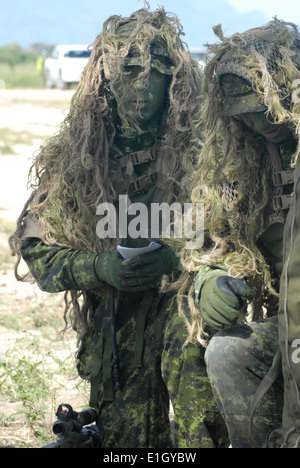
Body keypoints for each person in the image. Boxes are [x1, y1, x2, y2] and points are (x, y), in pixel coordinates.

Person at [9, 7, 228, 448]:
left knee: (196, 389)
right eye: (129, 72)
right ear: (107, 81)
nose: (141, 87)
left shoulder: (204, 151)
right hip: (117, 321)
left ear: (174, 84)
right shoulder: (77, 157)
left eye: (155, 74)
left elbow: (235, 238)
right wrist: (99, 267)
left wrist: (180, 259)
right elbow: (37, 251)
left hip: (182, 305)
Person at [177, 18, 300, 447]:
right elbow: (214, 238)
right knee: (228, 352)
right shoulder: (244, 161)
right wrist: (211, 277)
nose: (254, 122)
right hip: (288, 330)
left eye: (260, 106)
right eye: (241, 113)